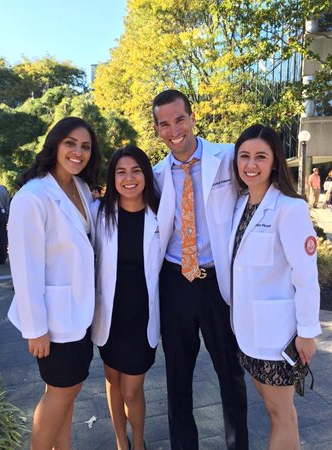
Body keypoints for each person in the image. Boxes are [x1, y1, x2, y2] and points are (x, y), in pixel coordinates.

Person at [152, 89, 248, 450]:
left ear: (192, 118)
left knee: (230, 373)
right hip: (175, 281)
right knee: (177, 376)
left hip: (217, 282)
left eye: (179, 119)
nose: (174, 129)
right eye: (164, 123)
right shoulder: (157, 175)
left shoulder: (227, 157)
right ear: (158, 129)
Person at [7, 117, 100, 450]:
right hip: (53, 321)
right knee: (60, 394)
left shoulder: (81, 188)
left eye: (85, 146)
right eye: (70, 144)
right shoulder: (32, 197)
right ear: (55, 145)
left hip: (79, 313)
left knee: (68, 392)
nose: (78, 152)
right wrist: (35, 328)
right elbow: (24, 266)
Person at [230, 124, 321, 450]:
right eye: (244, 156)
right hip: (249, 332)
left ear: (274, 161)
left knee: (282, 413)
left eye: (260, 157)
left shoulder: (289, 208)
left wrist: (308, 332)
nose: (250, 164)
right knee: (271, 407)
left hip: (278, 335)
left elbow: (305, 274)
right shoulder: (242, 205)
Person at [91, 146, 162, 450]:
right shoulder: (99, 214)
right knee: (112, 380)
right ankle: (122, 442)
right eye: (121, 172)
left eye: (136, 171)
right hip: (110, 315)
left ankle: (140, 443)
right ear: (113, 177)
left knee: (133, 389)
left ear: (146, 175)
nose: (129, 178)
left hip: (142, 317)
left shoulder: (161, 214)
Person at [0, 170, 10, 264]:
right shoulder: (2, 189)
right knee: (2, 236)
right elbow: (7, 203)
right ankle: (2, 257)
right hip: (1, 213)